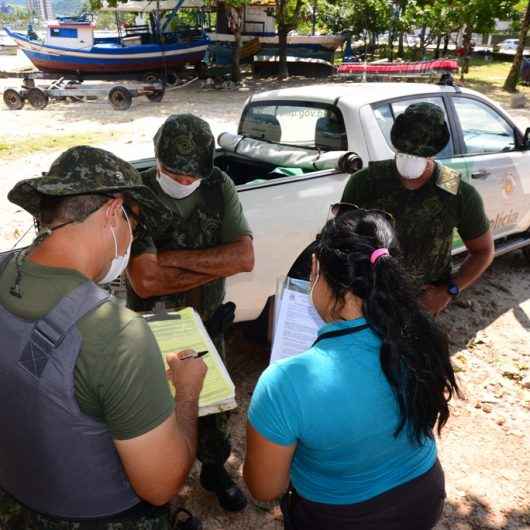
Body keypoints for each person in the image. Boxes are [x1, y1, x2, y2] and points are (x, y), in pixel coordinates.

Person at [0, 146, 206, 530]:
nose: (131, 239)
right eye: (134, 224)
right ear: (114, 213)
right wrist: (188, 391)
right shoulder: (116, 334)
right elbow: (162, 486)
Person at [244, 209, 461, 530]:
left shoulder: (283, 382)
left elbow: (265, 488)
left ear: (316, 268)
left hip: (338, 518)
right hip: (423, 497)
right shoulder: (421, 336)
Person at [127, 114, 254, 512]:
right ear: (157, 161)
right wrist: (212, 263)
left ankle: (215, 470)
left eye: (191, 176)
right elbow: (144, 281)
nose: (182, 182)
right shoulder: (137, 191)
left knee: (214, 405)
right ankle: (165, 489)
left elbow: (245, 257)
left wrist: (169, 259)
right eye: (173, 173)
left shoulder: (218, 186)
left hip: (206, 321)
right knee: (154, 408)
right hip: (151, 325)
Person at [340, 102, 494, 315]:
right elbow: (339, 243)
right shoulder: (366, 181)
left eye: (420, 153)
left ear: (435, 151)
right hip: (366, 302)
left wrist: (448, 291)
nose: (410, 158)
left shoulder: (456, 191)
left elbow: (483, 251)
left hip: (421, 309)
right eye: (404, 150)